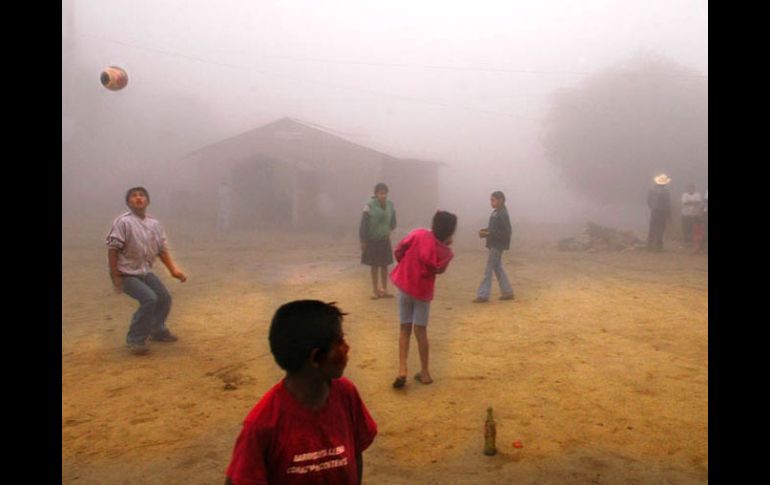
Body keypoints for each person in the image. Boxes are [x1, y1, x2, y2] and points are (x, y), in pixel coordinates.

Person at [225, 300, 378, 485]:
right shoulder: (262, 425)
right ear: (315, 358)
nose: (346, 347)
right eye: (339, 342)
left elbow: (355, 455)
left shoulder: (346, 394)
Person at [106, 187, 188, 355]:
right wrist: (115, 274)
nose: (138, 198)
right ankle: (135, 340)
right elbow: (113, 248)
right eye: (133, 196)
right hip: (126, 273)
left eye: (141, 195)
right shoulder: (123, 222)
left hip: (144, 272)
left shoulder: (154, 224)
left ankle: (157, 330)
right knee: (149, 299)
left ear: (148, 201)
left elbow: (161, 249)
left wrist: (173, 270)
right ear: (128, 202)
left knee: (164, 298)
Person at [389, 211, 457, 389]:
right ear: (450, 232)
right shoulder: (446, 252)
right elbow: (439, 270)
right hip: (423, 292)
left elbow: (399, 249)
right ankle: (425, 372)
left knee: (404, 329)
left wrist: (404, 263)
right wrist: (444, 244)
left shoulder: (419, 234)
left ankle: (403, 370)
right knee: (421, 331)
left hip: (405, 284)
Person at [473, 191, 514, 303]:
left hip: (497, 245)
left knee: (488, 269)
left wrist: (489, 234)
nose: (491, 202)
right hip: (494, 244)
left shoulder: (502, 213)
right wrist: (486, 231)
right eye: (491, 200)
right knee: (497, 268)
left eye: (493, 200)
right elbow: (495, 229)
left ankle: (483, 295)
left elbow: (506, 232)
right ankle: (507, 292)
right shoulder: (496, 212)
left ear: (501, 200)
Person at [359, 182, 397, 299]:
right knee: (374, 265)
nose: (383, 195)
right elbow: (363, 224)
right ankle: (375, 291)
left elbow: (393, 221)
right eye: (381, 193)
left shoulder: (390, 205)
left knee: (384, 265)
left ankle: (384, 290)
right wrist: (363, 241)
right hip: (372, 240)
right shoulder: (369, 206)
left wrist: (388, 230)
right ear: (376, 194)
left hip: (384, 239)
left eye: (385, 193)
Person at [647, 174, 672, 252]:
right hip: (662, 212)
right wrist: (668, 212)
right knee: (660, 228)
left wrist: (652, 207)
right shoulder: (666, 191)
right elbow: (667, 203)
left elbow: (648, 201)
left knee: (652, 227)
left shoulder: (651, 190)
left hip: (654, 211)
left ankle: (650, 244)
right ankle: (658, 245)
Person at [681, 183, 704, 250]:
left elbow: (698, 202)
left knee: (694, 229)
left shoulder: (697, 194)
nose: (690, 189)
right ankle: (686, 242)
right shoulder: (684, 194)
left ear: (694, 188)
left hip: (695, 215)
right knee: (686, 228)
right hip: (686, 214)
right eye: (689, 188)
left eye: (692, 188)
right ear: (687, 189)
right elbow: (684, 203)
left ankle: (693, 243)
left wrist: (689, 202)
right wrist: (694, 202)